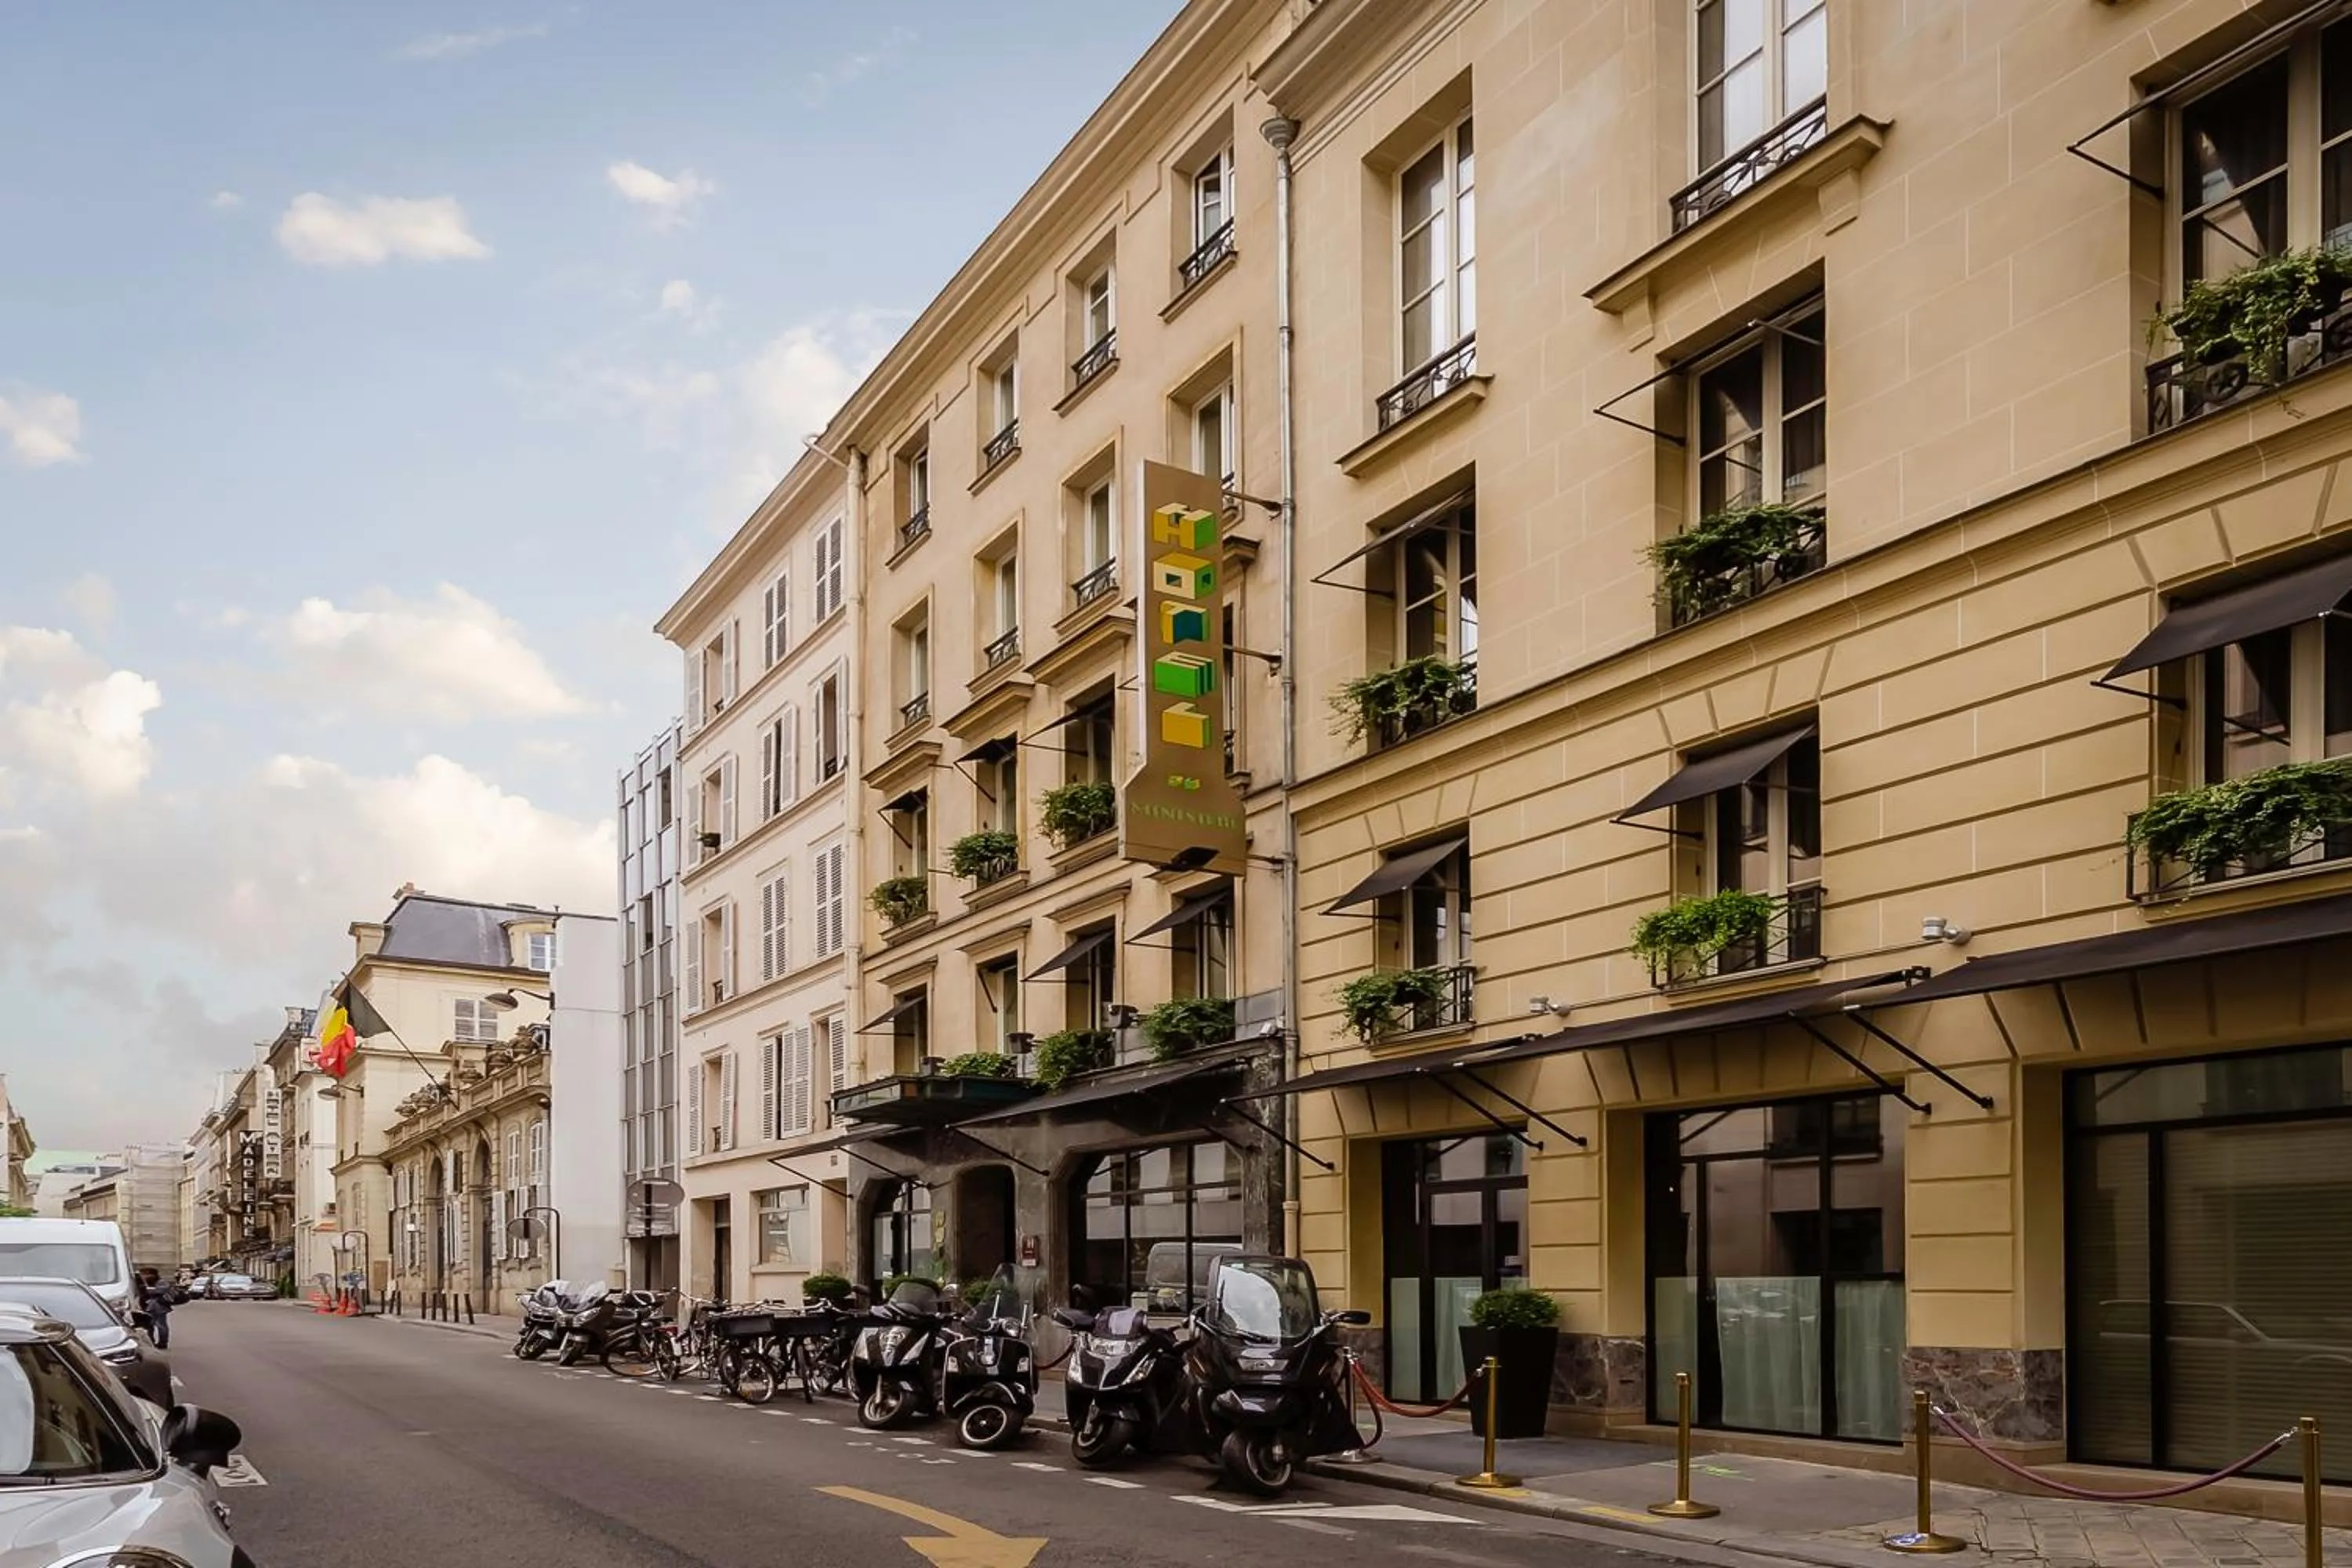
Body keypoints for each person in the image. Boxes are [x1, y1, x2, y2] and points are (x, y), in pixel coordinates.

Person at [137, 1268, 175, 1350]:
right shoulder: (147, 1282)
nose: (144, 1276)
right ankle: (151, 1341)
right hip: (150, 1306)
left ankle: (163, 1343)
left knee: (161, 1325)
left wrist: (147, 1289)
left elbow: (160, 1290)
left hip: (159, 1306)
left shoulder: (161, 1282)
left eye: (145, 1274)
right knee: (149, 1325)